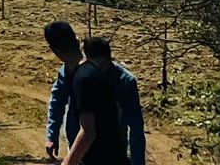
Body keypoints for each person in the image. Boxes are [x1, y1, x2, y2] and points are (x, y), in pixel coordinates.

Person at [43, 22, 145, 165]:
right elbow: (57, 100)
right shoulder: (69, 72)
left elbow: (135, 127)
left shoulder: (123, 81)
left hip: (108, 152)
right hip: (79, 149)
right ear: (77, 41)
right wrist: (52, 134)